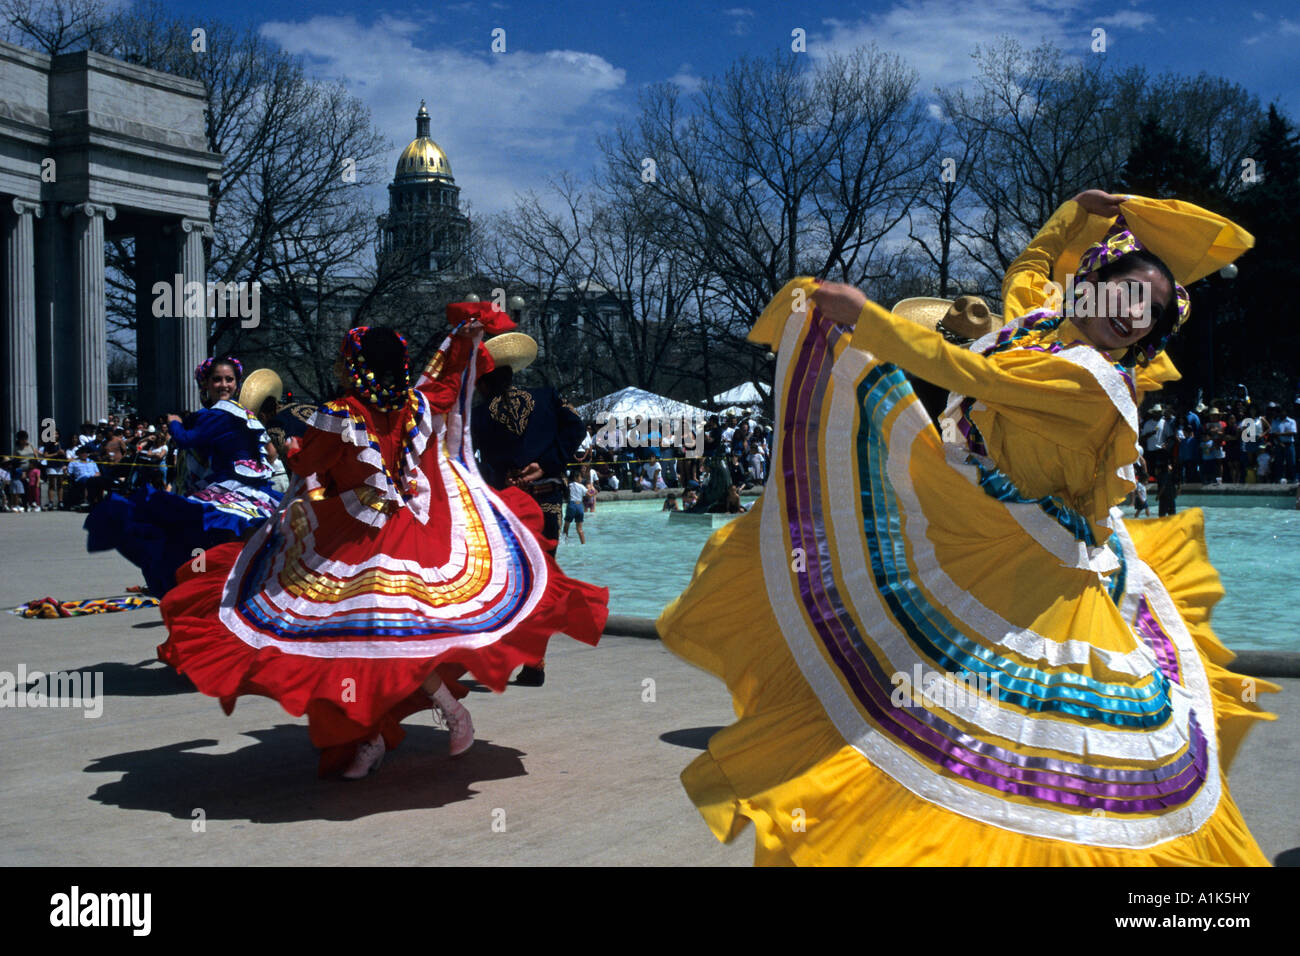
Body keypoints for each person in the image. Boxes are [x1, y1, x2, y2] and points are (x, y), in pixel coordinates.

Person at [658, 191, 1275, 865]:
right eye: (1126, 294)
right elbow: (1030, 267)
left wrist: (869, 321)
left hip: (1040, 571)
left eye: (1150, 312)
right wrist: (1080, 209)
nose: (1133, 316)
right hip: (989, 526)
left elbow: (971, 372)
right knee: (933, 715)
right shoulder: (1040, 325)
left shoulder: (1095, 383)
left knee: (1025, 752)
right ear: (1092, 287)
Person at [158, 322, 608, 779]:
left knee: (379, 643)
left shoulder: (342, 414)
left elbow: (308, 463)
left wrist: (291, 446)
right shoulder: (414, 403)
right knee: (376, 645)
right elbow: (446, 383)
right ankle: (378, 732)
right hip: (399, 532)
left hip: (361, 538)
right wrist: (461, 341)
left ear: (355, 366)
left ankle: (432, 719)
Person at [84, 357, 281, 597]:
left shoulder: (215, 414)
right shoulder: (247, 415)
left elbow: (187, 440)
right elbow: (270, 453)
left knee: (188, 528)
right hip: (258, 492)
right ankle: (245, 594)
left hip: (231, 488)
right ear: (206, 384)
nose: (223, 385)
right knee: (242, 543)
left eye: (229, 379)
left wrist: (174, 423)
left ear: (237, 384)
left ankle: (214, 592)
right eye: (217, 379)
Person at [471, 322, 589, 687]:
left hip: (507, 507)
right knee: (543, 581)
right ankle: (534, 662)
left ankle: (503, 659)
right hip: (548, 501)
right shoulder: (547, 396)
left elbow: (472, 463)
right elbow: (578, 429)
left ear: (484, 380)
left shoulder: (477, 415)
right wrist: (548, 463)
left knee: (506, 585)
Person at [564, 468, 587, 544]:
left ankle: (565, 542)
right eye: (580, 477)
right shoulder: (581, 486)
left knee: (566, 527)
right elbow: (589, 494)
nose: (581, 478)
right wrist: (595, 490)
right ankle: (583, 543)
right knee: (580, 529)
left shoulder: (569, 485)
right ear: (575, 478)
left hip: (571, 505)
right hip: (580, 506)